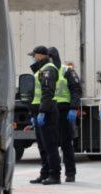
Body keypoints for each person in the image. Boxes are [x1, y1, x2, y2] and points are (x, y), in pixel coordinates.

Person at [27, 45, 61, 185]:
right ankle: (45, 173)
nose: (33, 58)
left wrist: (42, 112)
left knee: (50, 145)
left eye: (34, 55)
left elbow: (47, 92)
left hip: (47, 112)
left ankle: (55, 175)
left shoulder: (48, 70)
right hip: (39, 111)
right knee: (42, 145)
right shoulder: (42, 70)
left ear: (40, 55)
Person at [48, 47, 82, 183]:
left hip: (64, 111)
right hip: (50, 111)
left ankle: (70, 173)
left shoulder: (67, 70)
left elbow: (76, 90)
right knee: (50, 145)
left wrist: (73, 108)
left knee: (66, 143)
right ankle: (51, 173)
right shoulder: (44, 72)